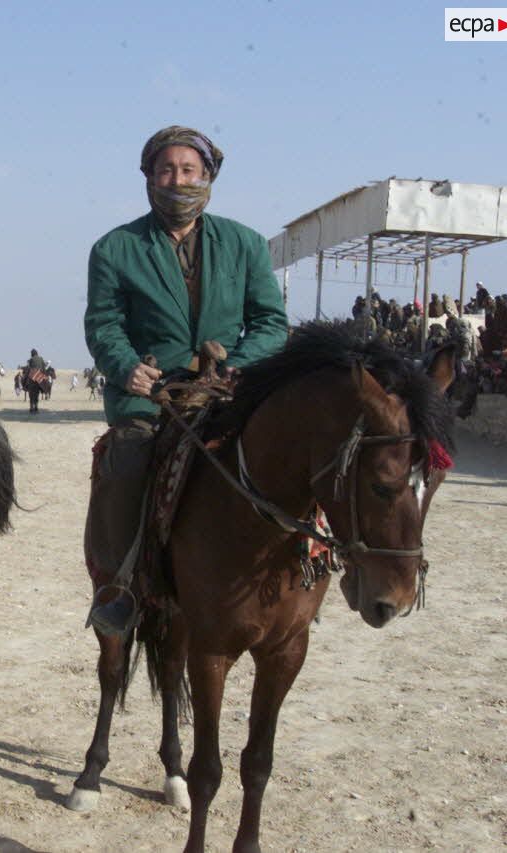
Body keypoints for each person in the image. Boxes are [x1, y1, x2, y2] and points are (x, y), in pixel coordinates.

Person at [82, 125, 287, 638]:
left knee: (292, 456)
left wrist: (236, 365)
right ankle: (122, 586)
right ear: (149, 178)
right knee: (126, 465)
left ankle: (301, 573)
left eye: (188, 170)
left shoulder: (246, 244)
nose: (178, 179)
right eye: (166, 169)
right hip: (153, 398)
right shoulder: (115, 248)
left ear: (208, 176)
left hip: (228, 392)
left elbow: (270, 323)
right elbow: (103, 325)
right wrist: (126, 366)